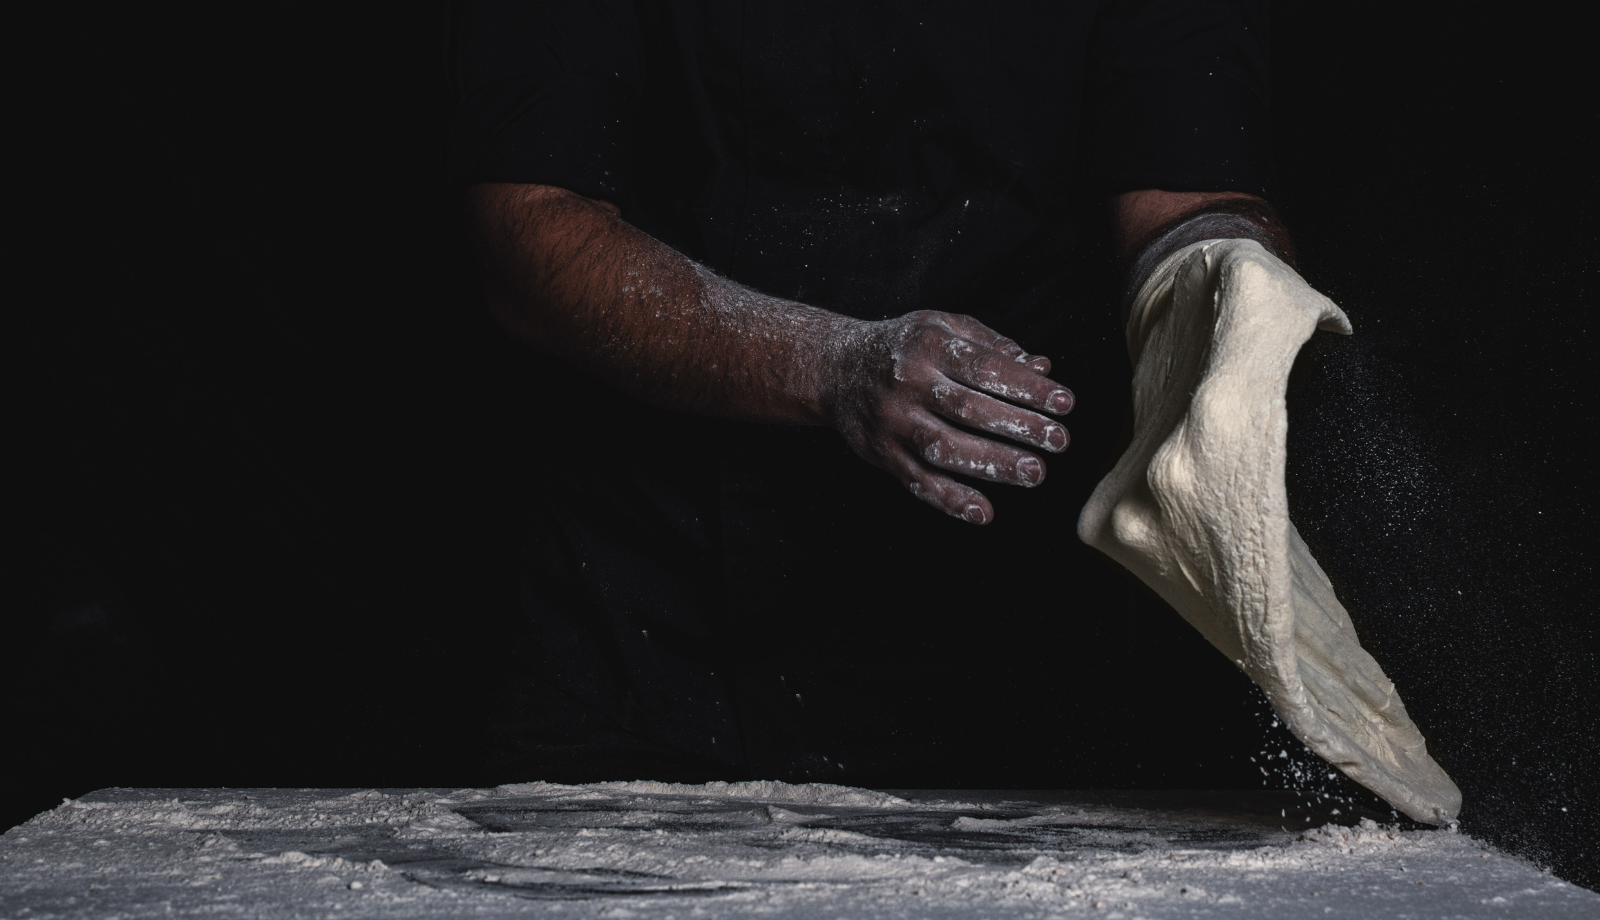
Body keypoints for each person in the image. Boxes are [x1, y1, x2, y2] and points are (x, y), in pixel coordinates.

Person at [446, 0, 1309, 786]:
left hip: (1012, 647)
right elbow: (529, 227)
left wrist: (1226, 277)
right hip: (651, 636)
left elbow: (1183, 189)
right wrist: (828, 363)